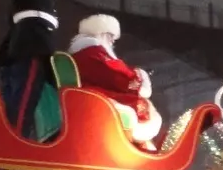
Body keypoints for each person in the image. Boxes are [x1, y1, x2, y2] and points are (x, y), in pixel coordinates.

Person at [0, 0, 108, 138]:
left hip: (30, 47)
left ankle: (41, 138)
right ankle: (15, 139)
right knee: (23, 101)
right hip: (32, 48)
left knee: (40, 98)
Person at [68, 14, 163, 148]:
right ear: (100, 33)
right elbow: (114, 76)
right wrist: (138, 75)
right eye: (110, 36)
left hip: (89, 94)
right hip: (94, 97)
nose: (113, 41)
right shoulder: (92, 52)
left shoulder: (85, 52)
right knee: (139, 105)